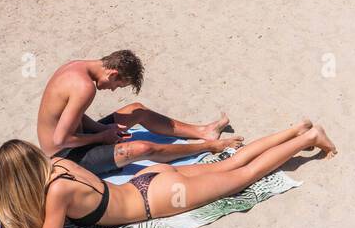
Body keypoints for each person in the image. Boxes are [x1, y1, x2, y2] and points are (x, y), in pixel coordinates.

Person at [0, 121, 336, 228]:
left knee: (244, 177)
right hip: (150, 180)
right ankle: (293, 130)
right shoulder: (61, 166)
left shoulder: (56, 194)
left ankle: (308, 138)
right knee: (230, 164)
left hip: (152, 200)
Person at [36, 50, 242, 176]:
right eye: (118, 84)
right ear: (113, 73)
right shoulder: (84, 87)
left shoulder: (75, 67)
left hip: (74, 138)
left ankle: (203, 131)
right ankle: (211, 146)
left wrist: (103, 129)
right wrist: (101, 136)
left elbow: (73, 115)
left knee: (137, 111)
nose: (113, 89)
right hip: (63, 156)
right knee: (142, 148)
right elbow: (61, 139)